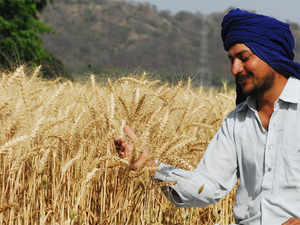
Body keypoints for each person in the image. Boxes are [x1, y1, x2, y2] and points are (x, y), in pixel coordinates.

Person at [114, 9, 300, 225]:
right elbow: (208, 184)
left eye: (244, 57)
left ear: (271, 55)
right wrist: (152, 166)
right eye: (231, 59)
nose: (235, 69)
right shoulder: (236, 122)